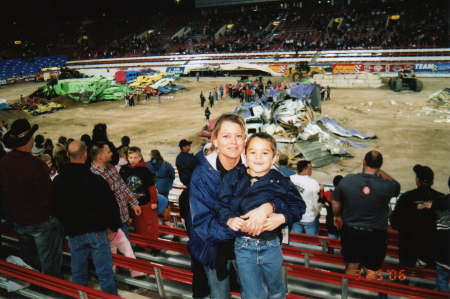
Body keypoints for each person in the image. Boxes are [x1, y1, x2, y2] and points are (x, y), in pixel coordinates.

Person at [188, 113, 286, 299]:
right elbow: (202, 222)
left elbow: (285, 196)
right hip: (217, 250)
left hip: (255, 248)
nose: (233, 142)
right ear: (215, 140)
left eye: (239, 136)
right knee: (220, 295)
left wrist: (270, 207)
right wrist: (242, 227)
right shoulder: (202, 175)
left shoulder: (258, 163)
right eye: (226, 136)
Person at [215, 132, 305, 299]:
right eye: (253, 152)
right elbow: (220, 203)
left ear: (274, 158)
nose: (258, 157)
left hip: (271, 245)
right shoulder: (234, 177)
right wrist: (229, 219)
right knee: (252, 293)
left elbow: (298, 206)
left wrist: (281, 217)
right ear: (244, 155)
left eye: (265, 153)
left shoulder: (282, 181)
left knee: (276, 290)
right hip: (243, 246)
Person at [52, 141, 121, 295]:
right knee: (104, 274)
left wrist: (68, 224)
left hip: (73, 234)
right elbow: (111, 207)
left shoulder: (58, 181)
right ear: (85, 155)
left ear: (68, 155)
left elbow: (55, 209)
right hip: (96, 233)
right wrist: (113, 227)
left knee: (78, 273)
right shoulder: (96, 180)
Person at [0, 119, 63, 278]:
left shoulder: (4, 162)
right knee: (49, 263)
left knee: (29, 260)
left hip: (19, 220)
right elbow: (48, 196)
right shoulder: (36, 164)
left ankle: (33, 286)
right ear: (30, 139)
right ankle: (52, 289)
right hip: (40, 221)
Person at [332, 151, 400, 282]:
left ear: (364, 162)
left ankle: (348, 294)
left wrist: (337, 216)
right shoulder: (387, 186)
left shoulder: (347, 180)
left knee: (351, 266)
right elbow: (396, 186)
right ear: (380, 164)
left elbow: (335, 202)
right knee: (371, 269)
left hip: (351, 231)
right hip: (375, 234)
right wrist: (380, 171)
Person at [390, 165, 443, 268]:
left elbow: (394, 223)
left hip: (408, 246)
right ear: (431, 181)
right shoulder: (440, 198)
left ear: (417, 180)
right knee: (430, 278)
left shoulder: (406, 197)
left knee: (406, 270)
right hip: (431, 247)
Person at [90, 142, 141, 240]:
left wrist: (134, 203)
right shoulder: (93, 176)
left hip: (123, 220)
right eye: (109, 152)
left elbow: (123, 185)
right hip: (109, 227)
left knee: (126, 252)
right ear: (101, 156)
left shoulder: (112, 168)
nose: (112, 153)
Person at [120, 147, 160, 255]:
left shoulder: (145, 170)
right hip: (133, 204)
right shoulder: (124, 170)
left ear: (140, 157)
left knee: (151, 226)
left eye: (135, 157)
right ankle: (141, 244)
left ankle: (155, 246)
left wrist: (153, 201)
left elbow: (151, 187)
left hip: (146, 202)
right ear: (127, 158)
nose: (133, 160)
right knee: (139, 226)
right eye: (130, 157)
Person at [418, 177, 450, 292]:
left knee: (442, 281)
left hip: (443, 255)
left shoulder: (439, 202)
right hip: (443, 254)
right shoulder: (439, 202)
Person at [290, 160, 323, 236]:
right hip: (309, 217)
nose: (311, 171)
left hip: (295, 216)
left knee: (295, 240)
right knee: (312, 242)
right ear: (305, 170)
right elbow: (316, 203)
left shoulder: (290, 179)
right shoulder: (313, 183)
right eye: (310, 169)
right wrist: (318, 211)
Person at [147, 149, 175, 227]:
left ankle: (157, 218)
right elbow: (172, 175)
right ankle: (166, 220)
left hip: (152, 187)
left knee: (155, 203)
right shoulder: (166, 164)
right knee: (165, 203)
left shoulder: (147, 164)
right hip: (164, 186)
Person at [318, 175, 343, 254]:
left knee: (331, 236)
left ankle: (330, 252)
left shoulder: (328, 194)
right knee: (342, 238)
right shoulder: (347, 195)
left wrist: (321, 190)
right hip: (343, 220)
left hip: (330, 220)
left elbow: (321, 199)